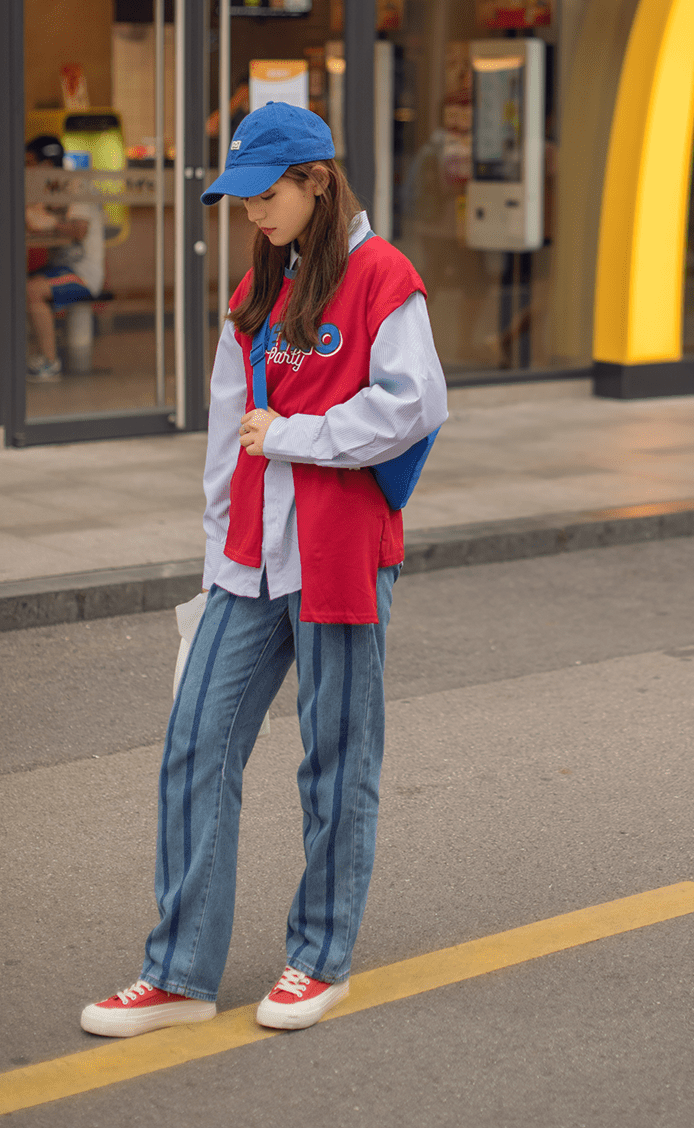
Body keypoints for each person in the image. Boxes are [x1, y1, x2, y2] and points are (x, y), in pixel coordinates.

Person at [81, 101, 448, 1037]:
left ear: (317, 182)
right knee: (194, 748)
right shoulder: (257, 292)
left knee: (335, 764)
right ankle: (180, 974)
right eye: (239, 197)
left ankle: (319, 959)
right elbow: (222, 440)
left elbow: (415, 405)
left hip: (338, 557)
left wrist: (300, 436)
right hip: (247, 562)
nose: (250, 212)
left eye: (264, 194)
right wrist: (213, 561)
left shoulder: (382, 277)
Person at [24, 135, 105, 382]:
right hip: (60, 268)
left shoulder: (76, 186)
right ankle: (37, 354)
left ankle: (50, 362)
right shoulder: (51, 189)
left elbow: (79, 229)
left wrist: (51, 222)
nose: (27, 169)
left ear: (46, 165)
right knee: (18, 285)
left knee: (32, 290)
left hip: (83, 274)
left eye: (30, 163)